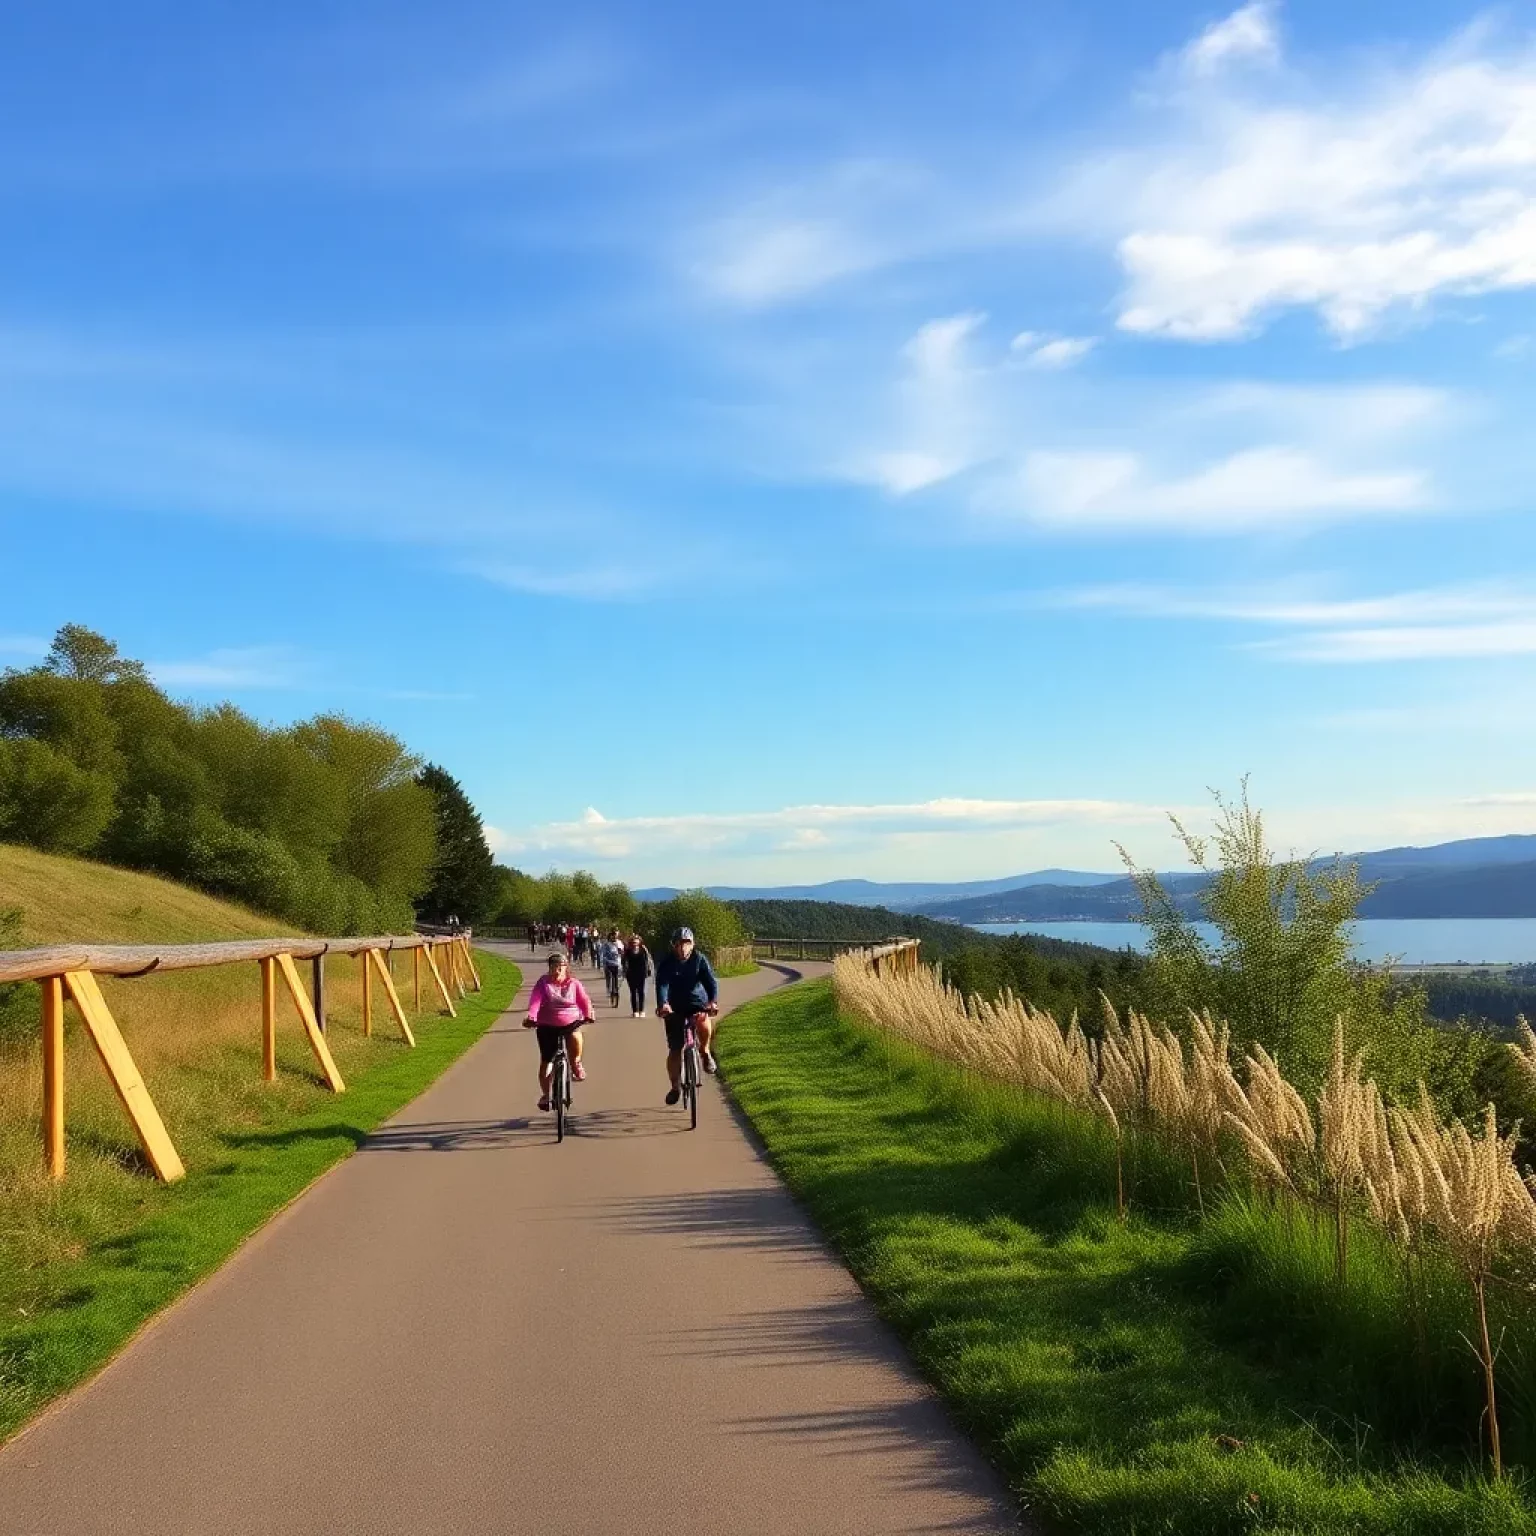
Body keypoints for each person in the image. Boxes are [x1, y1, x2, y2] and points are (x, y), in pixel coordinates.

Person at [522, 952, 594, 1111]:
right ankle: (546, 1095)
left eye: (560, 967)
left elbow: (583, 1000)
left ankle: (576, 1063)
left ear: (566, 968)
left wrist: (588, 1014)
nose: (556, 971)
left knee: (576, 1034)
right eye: (553, 967)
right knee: (546, 1062)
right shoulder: (543, 983)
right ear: (549, 968)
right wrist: (532, 1017)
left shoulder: (574, 983)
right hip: (547, 1023)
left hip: (570, 1020)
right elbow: (535, 1001)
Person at [655, 926, 719, 1105]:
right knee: (675, 1050)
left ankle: (705, 1051)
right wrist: (663, 1004)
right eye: (679, 943)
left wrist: (712, 1001)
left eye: (686, 943)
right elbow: (662, 985)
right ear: (673, 945)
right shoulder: (667, 963)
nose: (682, 947)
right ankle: (675, 1087)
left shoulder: (699, 960)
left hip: (697, 1003)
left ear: (693, 944)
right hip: (674, 1007)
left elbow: (710, 982)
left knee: (705, 1023)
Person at [622, 932, 652, 1017]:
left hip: (641, 973)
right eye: (633, 942)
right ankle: (635, 1011)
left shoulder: (643, 950)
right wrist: (624, 969)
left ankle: (642, 1010)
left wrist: (648, 970)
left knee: (641, 992)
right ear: (631, 943)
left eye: (636, 942)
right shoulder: (628, 951)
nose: (635, 944)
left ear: (639, 942)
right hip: (631, 974)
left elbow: (648, 960)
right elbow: (623, 961)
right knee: (633, 992)